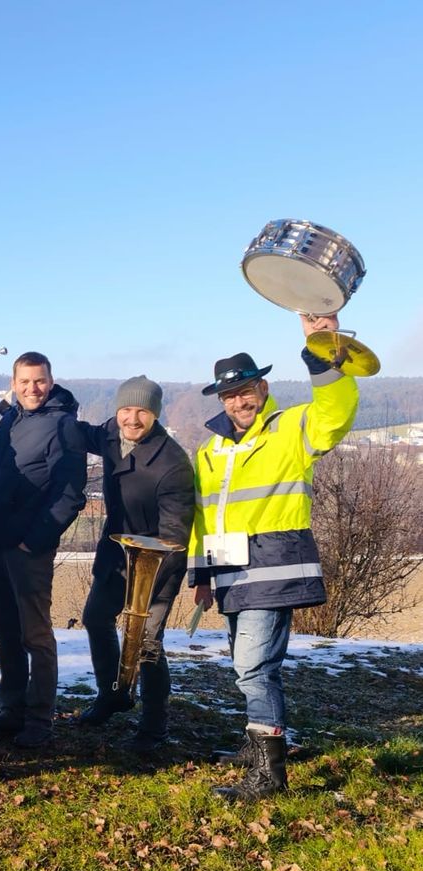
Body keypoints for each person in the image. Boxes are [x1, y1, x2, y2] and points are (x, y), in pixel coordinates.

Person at [190, 314, 358, 801]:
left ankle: (268, 777)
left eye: (246, 390)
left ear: (262, 388)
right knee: (255, 664)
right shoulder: (210, 449)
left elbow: (337, 410)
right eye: (229, 395)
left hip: (275, 567)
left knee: (252, 667)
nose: (239, 401)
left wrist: (320, 350)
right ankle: (258, 741)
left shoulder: (292, 428)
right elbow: (205, 517)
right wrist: (202, 575)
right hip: (229, 573)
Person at [0, 351, 86, 748]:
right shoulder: (10, 419)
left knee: (36, 637)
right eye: (25, 382)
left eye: (39, 381)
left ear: (50, 382)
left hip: (27, 549)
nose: (32, 388)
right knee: (5, 632)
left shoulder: (63, 425)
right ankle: (12, 709)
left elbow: (71, 493)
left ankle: (39, 720)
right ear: (14, 385)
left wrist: (34, 540)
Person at [76, 376, 194, 752]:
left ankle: (153, 727)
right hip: (115, 557)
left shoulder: (172, 463)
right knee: (96, 618)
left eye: (142, 410)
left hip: (157, 565)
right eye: (126, 409)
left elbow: (175, 536)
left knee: (146, 644)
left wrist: (153, 586)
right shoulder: (112, 433)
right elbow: (81, 433)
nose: (132, 417)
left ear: (155, 414)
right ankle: (113, 694)